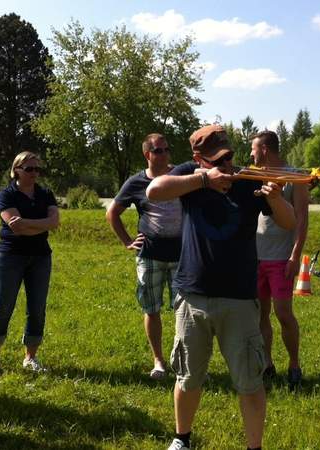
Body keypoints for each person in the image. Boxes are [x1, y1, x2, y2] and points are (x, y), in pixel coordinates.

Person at [147, 124, 296, 450]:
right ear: (198, 158)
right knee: (188, 376)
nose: (225, 167)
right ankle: (182, 439)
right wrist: (203, 180)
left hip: (240, 298)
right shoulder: (190, 176)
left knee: (250, 381)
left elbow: (289, 222)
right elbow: (153, 190)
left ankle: (254, 447)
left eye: (228, 158)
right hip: (192, 296)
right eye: (216, 161)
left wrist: (275, 198)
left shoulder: (248, 180)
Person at [106, 133, 182, 380]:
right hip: (150, 255)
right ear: (147, 154)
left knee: (185, 310)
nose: (165, 154)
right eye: (159, 150)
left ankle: (182, 360)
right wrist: (127, 241)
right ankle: (158, 360)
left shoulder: (181, 175)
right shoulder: (136, 182)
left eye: (167, 149)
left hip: (182, 254)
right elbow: (112, 213)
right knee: (152, 309)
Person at [0, 151, 59, 377]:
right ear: (16, 170)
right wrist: (39, 224)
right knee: (3, 306)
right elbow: (14, 227)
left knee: (37, 309)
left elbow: (54, 223)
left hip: (41, 257)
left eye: (37, 169)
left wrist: (26, 223)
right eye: (29, 169)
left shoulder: (46, 194)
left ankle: (30, 357)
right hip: (10, 256)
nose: (34, 173)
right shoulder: (7, 195)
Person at [250, 131, 309, 390]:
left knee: (284, 314)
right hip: (255, 257)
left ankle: (294, 365)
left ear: (264, 149)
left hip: (281, 258)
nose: (251, 154)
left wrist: (295, 255)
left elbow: (303, 218)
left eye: (254, 149)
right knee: (261, 314)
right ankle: (268, 364)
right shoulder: (254, 174)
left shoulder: (294, 177)